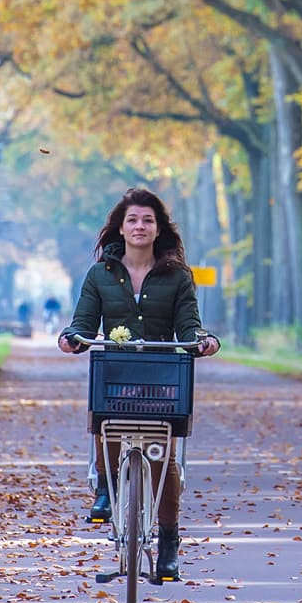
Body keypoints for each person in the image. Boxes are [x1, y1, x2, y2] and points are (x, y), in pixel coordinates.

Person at [58, 187, 220, 580]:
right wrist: (72, 337)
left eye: (148, 219)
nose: (140, 226)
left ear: (159, 228)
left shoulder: (179, 276)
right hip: (117, 373)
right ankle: (105, 488)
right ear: (120, 227)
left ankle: (168, 541)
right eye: (132, 219)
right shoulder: (100, 274)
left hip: (161, 380)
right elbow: (84, 322)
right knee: (107, 419)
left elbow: (188, 324)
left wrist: (201, 340)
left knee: (163, 459)